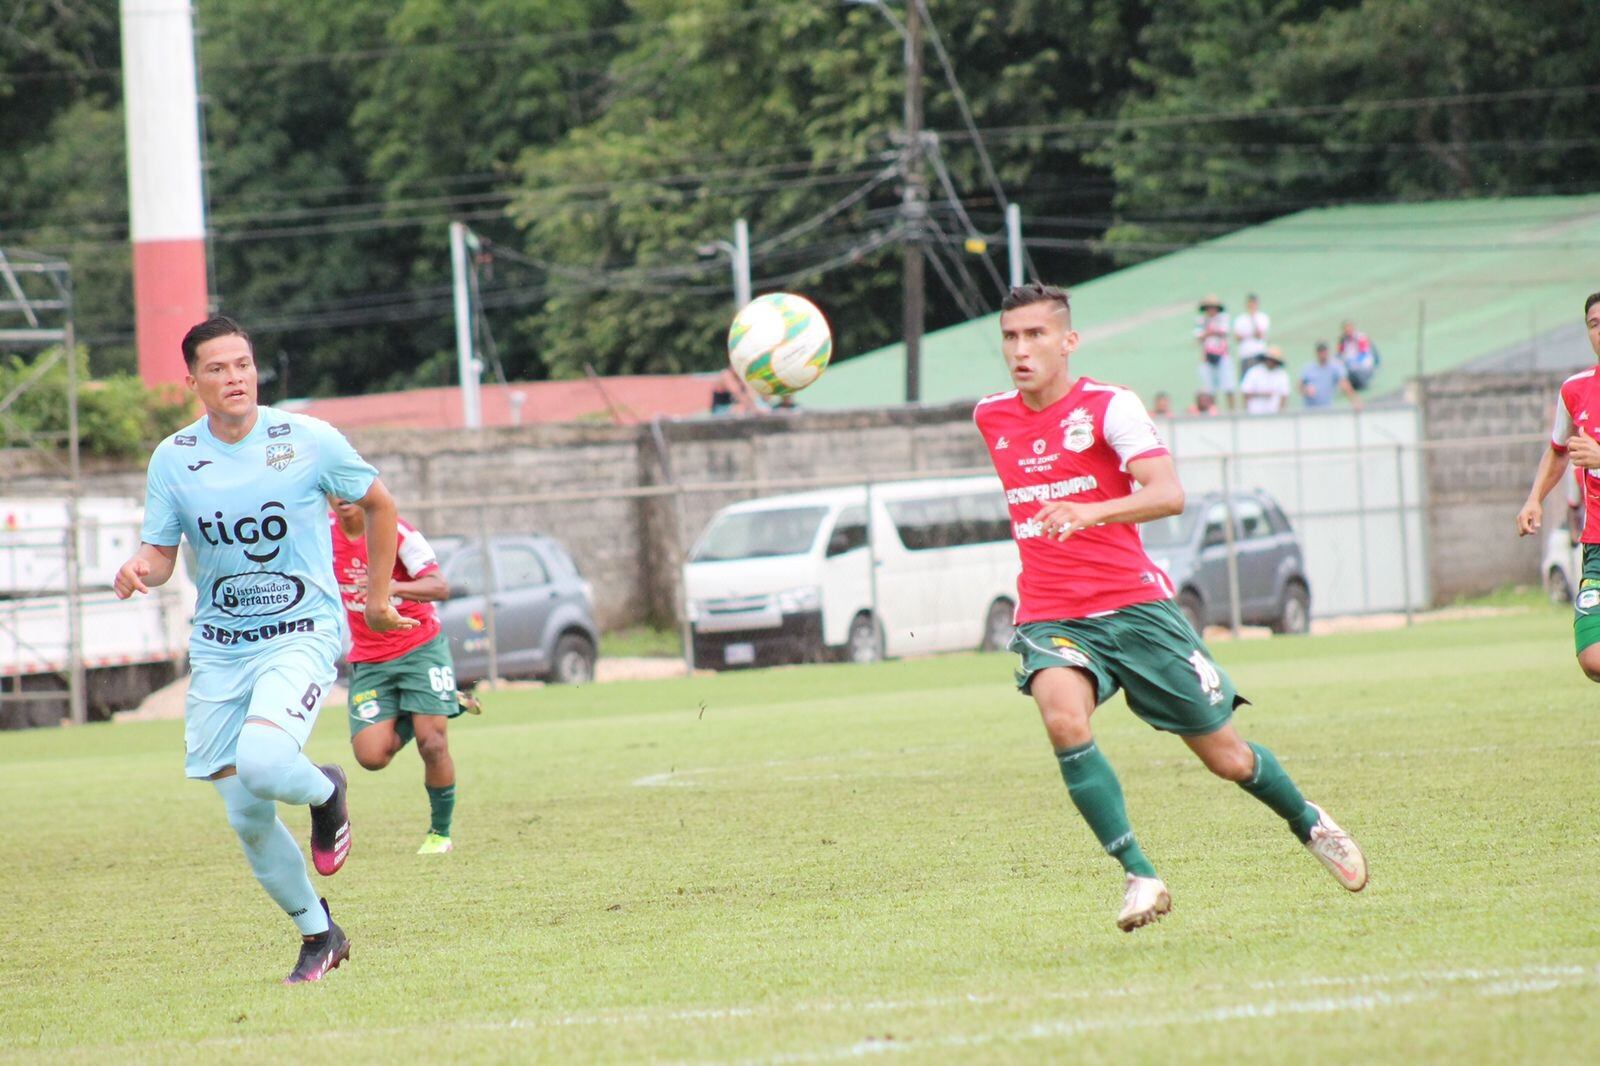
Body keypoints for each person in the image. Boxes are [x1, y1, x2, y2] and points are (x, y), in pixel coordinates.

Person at [975, 283, 1367, 932]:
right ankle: (1139, 874)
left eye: (1036, 335)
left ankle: (1308, 821)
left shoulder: (1111, 407)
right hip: (1052, 613)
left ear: (1067, 341)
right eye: (1011, 337)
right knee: (1064, 720)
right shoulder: (991, 415)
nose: (1021, 349)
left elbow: (1169, 494)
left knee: (1228, 760)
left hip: (1136, 607)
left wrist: (1090, 510)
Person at [113, 316, 416, 985]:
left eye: (243, 365)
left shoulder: (306, 439)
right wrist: (139, 567)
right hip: (221, 649)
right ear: (191, 381)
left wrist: (376, 599)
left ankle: (325, 790)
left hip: (301, 630)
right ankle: (321, 934)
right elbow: (162, 554)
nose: (235, 379)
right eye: (218, 369)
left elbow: (380, 504)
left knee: (265, 760)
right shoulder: (174, 458)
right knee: (247, 816)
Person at [331, 499, 477, 854]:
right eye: (332, 486)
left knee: (434, 744)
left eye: (349, 484)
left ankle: (439, 834)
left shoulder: (395, 531)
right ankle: (429, 706)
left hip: (420, 648)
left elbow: (439, 586)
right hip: (369, 658)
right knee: (371, 756)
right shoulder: (320, 535)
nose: (343, 493)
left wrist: (389, 588)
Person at [1516, 291, 1600, 682]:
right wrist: (1535, 498)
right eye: (1593, 324)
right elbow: (1557, 452)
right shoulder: (1575, 391)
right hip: (1596, 544)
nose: (1599, 331)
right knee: (1591, 658)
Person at [1193, 295, 1236, 412]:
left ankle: (1232, 411)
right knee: (1209, 389)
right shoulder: (1201, 321)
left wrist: (1208, 332)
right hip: (1207, 357)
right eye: (1209, 308)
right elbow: (1198, 337)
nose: (1211, 310)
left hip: (1222, 356)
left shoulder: (1223, 319)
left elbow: (1223, 332)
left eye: (1213, 308)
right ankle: (1214, 411)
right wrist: (1210, 332)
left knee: (1228, 386)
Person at [1300, 341, 1362, 409]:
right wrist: (1306, 390)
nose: (1322, 353)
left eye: (1324, 351)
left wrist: (1354, 401)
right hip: (1309, 408)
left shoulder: (1335, 367)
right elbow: (1300, 386)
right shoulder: (1308, 368)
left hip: (1326, 408)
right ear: (1316, 353)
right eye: (1320, 351)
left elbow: (1344, 384)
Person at [1238, 345, 1291, 415]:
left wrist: (1280, 413)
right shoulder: (1254, 372)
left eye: (1273, 360)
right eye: (1269, 359)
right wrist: (1262, 394)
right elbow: (1246, 393)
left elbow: (1284, 396)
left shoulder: (1282, 375)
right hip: (1254, 414)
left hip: (1274, 414)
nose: (1270, 362)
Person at [1232, 293, 1271, 374]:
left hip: (1259, 354)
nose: (1251, 305)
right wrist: (1250, 335)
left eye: (1254, 303)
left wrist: (1252, 318)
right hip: (1245, 355)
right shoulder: (1240, 319)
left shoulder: (1262, 318)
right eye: (1250, 303)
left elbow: (1259, 334)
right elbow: (1237, 337)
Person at [1336, 320, 1379, 390]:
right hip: (1350, 364)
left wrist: (1355, 362)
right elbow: (1339, 353)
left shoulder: (1360, 337)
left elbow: (1364, 353)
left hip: (1362, 363)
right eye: (1346, 330)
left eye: (1349, 329)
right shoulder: (1342, 340)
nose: (1348, 331)